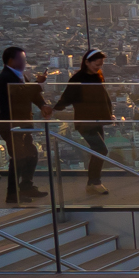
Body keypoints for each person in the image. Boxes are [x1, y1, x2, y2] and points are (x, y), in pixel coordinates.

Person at [53, 49, 115, 195]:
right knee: (101, 150)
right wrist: (53, 109)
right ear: (86, 62)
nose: (98, 67)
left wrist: (108, 115)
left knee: (97, 151)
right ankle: (95, 182)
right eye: (96, 64)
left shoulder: (98, 76)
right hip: (85, 122)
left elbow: (103, 98)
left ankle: (91, 184)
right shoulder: (77, 79)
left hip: (97, 120)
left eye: (100, 65)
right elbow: (66, 98)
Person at [0, 45, 45, 201]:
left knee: (31, 154)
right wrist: (37, 83)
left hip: (23, 122)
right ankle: (12, 193)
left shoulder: (20, 76)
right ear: (11, 60)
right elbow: (20, 95)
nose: (25, 62)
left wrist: (43, 105)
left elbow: (31, 95)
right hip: (11, 123)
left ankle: (26, 186)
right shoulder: (5, 78)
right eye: (22, 59)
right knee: (18, 157)